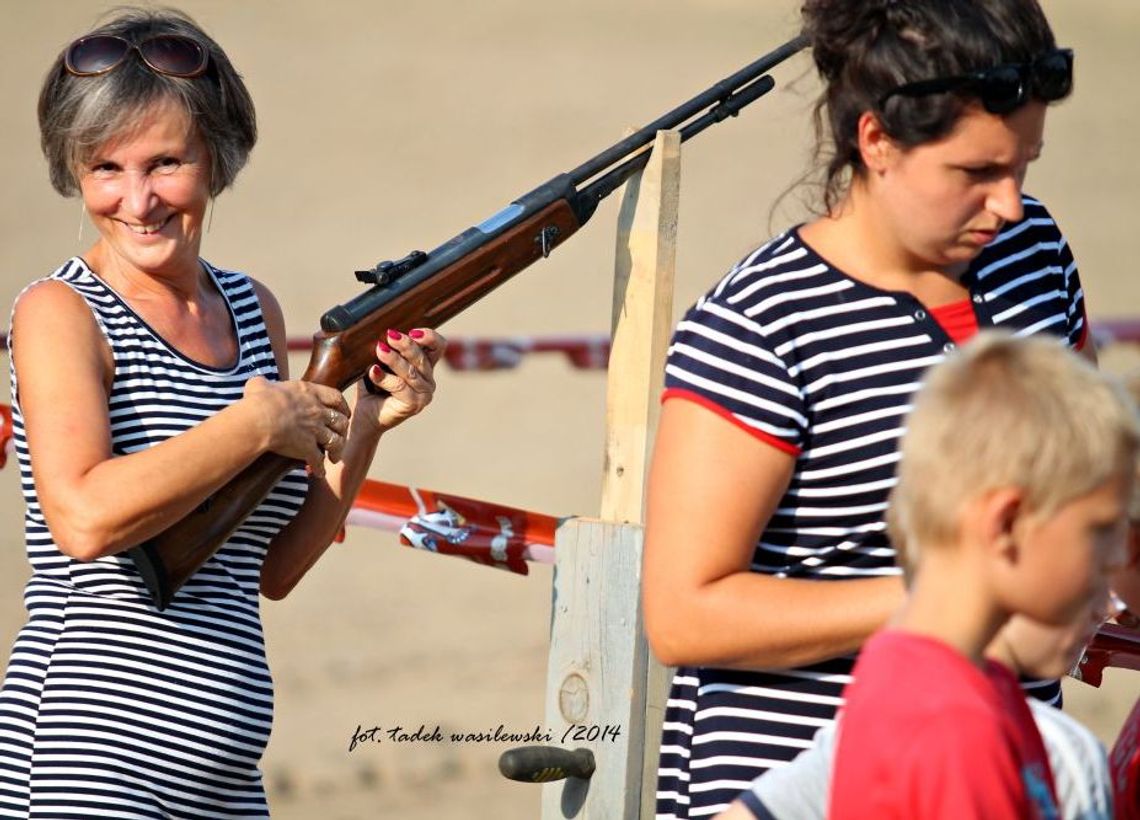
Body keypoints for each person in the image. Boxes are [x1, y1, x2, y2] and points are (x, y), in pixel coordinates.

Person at [643, 1, 1091, 816]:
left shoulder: (1034, 255)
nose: (1008, 204)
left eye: (1024, 165)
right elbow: (684, 613)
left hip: (996, 773)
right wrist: (964, 591)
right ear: (877, 140)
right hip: (793, 790)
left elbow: (1092, 487)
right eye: (975, 173)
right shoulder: (760, 326)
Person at [0, 8, 443, 818]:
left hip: (227, 778)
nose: (137, 199)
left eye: (166, 162)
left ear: (217, 157)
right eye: (105, 168)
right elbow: (84, 520)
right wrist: (250, 427)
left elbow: (274, 568)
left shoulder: (250, 308)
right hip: (89, 767)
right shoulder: (60, 312)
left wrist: (369, 419)